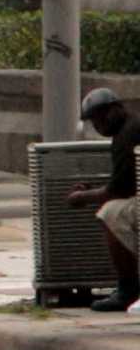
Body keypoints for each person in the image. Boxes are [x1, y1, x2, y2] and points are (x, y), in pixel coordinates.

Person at [66, 89, 140, 311]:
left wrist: (82, 197)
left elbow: (119, 190)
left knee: (110, 213)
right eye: (94, 121)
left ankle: (128, 289)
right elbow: (124, 182)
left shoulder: (129, 133)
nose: (99, 125)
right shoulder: (128, 128)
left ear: (117, 108)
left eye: (102, 116)